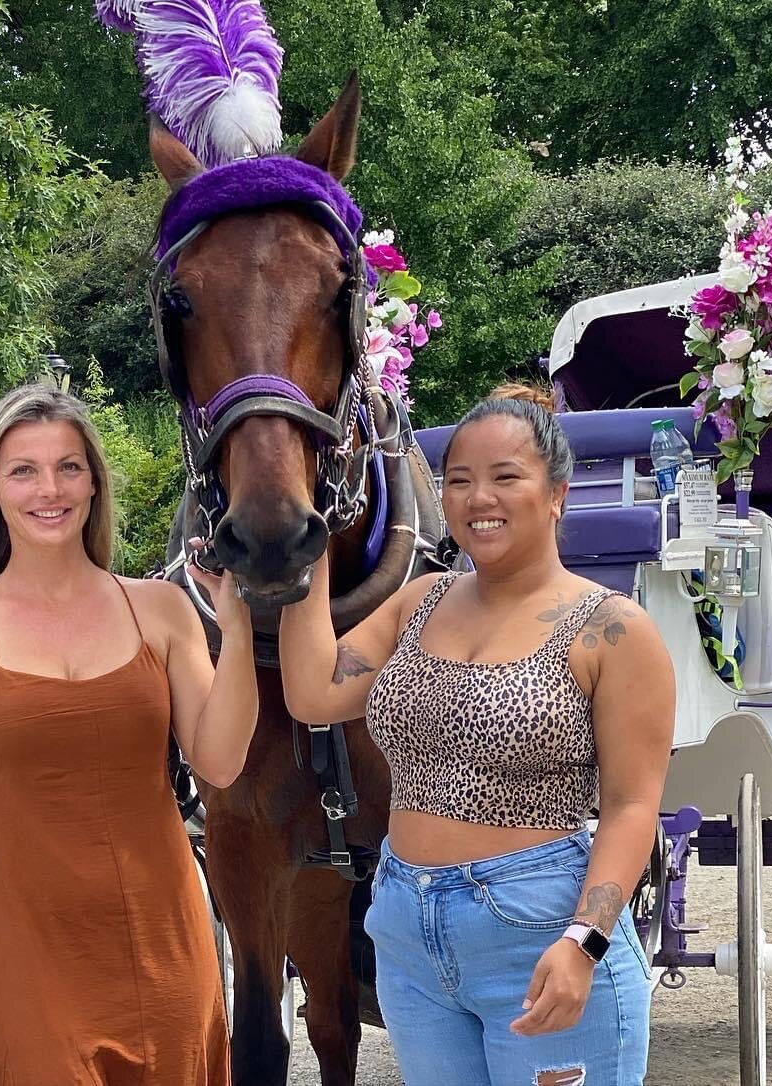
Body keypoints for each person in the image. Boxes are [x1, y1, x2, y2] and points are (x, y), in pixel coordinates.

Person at [279, 383, 675, 1085]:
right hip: (409, 931)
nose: (478, 498)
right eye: (458, 480)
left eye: (505, 477)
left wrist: (584, 942)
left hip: (542, 929)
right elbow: (313, 692)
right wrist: (303, 551)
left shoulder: (612, 630)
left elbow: (632, 806)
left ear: (556, 495)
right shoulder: (420, 601)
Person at [0, 385, 257, 1085]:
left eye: (69, 467)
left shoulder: (160, 610)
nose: (51, 489)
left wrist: (240, 624)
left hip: (163, 945)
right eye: (24, 471)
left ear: (94, 483)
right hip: (27, 949)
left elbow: (219, 763)